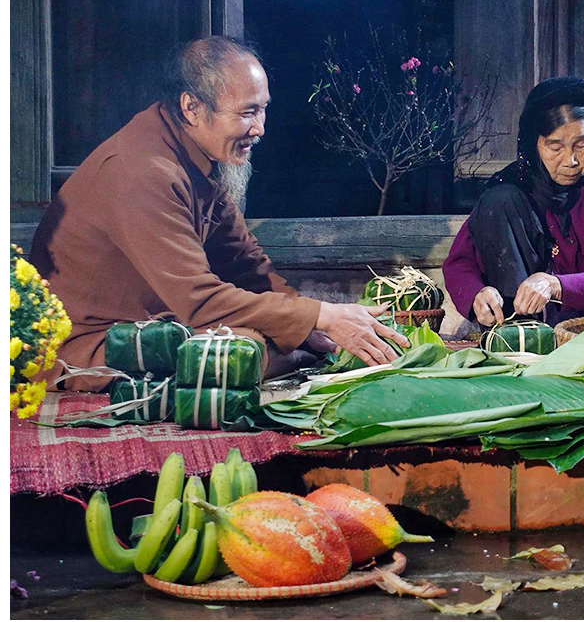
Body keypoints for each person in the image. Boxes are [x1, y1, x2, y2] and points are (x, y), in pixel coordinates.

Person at [30, 36, 407, 392]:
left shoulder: (195, 152)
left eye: (263, 110)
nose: (259, 128)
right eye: (247, 113)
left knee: (272, 339)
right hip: (89, 346)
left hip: (164, 323)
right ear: (191, 108)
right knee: (242, 351)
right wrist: (318, 316)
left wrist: (309, 326)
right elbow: (201, 302)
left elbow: (246, 262)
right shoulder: (144, 172)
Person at [443, 77, 584, 327]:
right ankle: (518, 338)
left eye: (581, 144)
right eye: (555, 148)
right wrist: (476, 294)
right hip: (521, 327)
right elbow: (461, 262)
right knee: (500, 198)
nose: (571, 160)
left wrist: (556, 285)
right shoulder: (511, 185)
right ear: (535, 145)